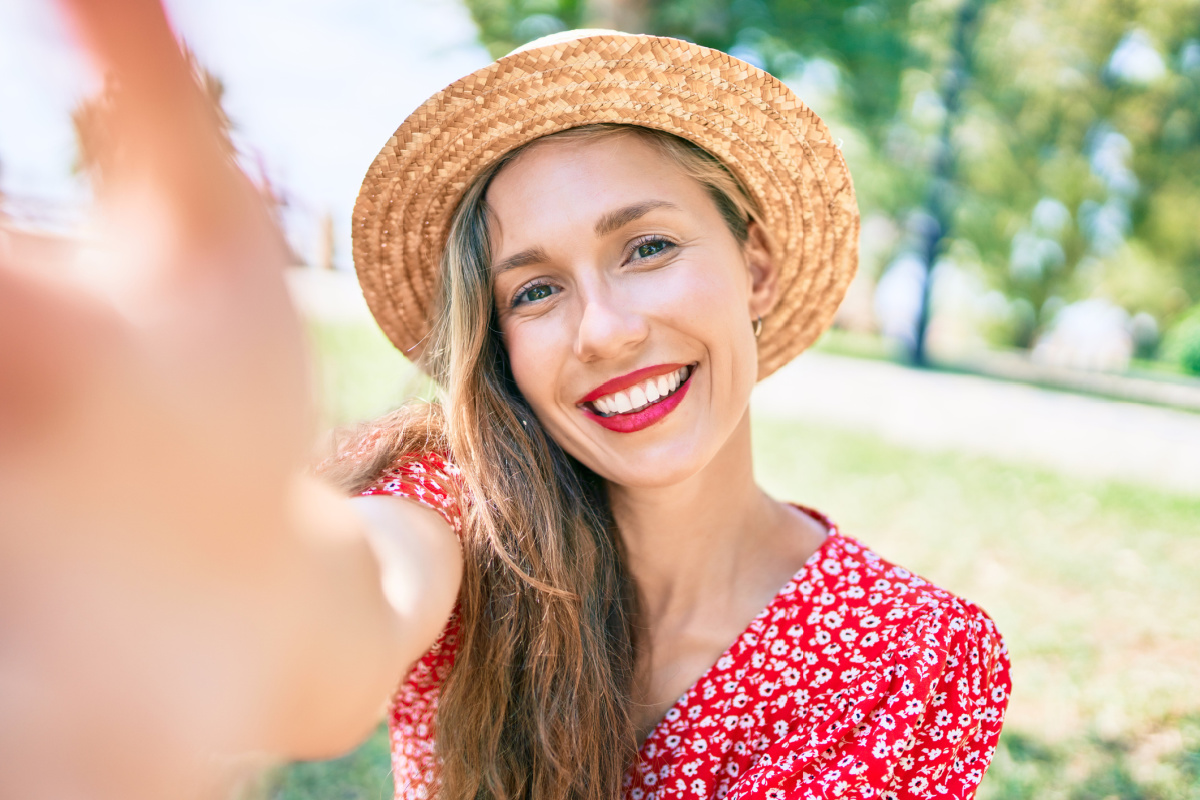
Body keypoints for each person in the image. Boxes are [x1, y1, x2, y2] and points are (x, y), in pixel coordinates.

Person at [0, 8, 1009, 800]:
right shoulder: (448, 515)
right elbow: (342, 618)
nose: (604, 328)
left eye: (646, 245)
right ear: (500, 346)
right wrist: (194, 555)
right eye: (534, 288)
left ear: (753, 263)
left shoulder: (915, 656)